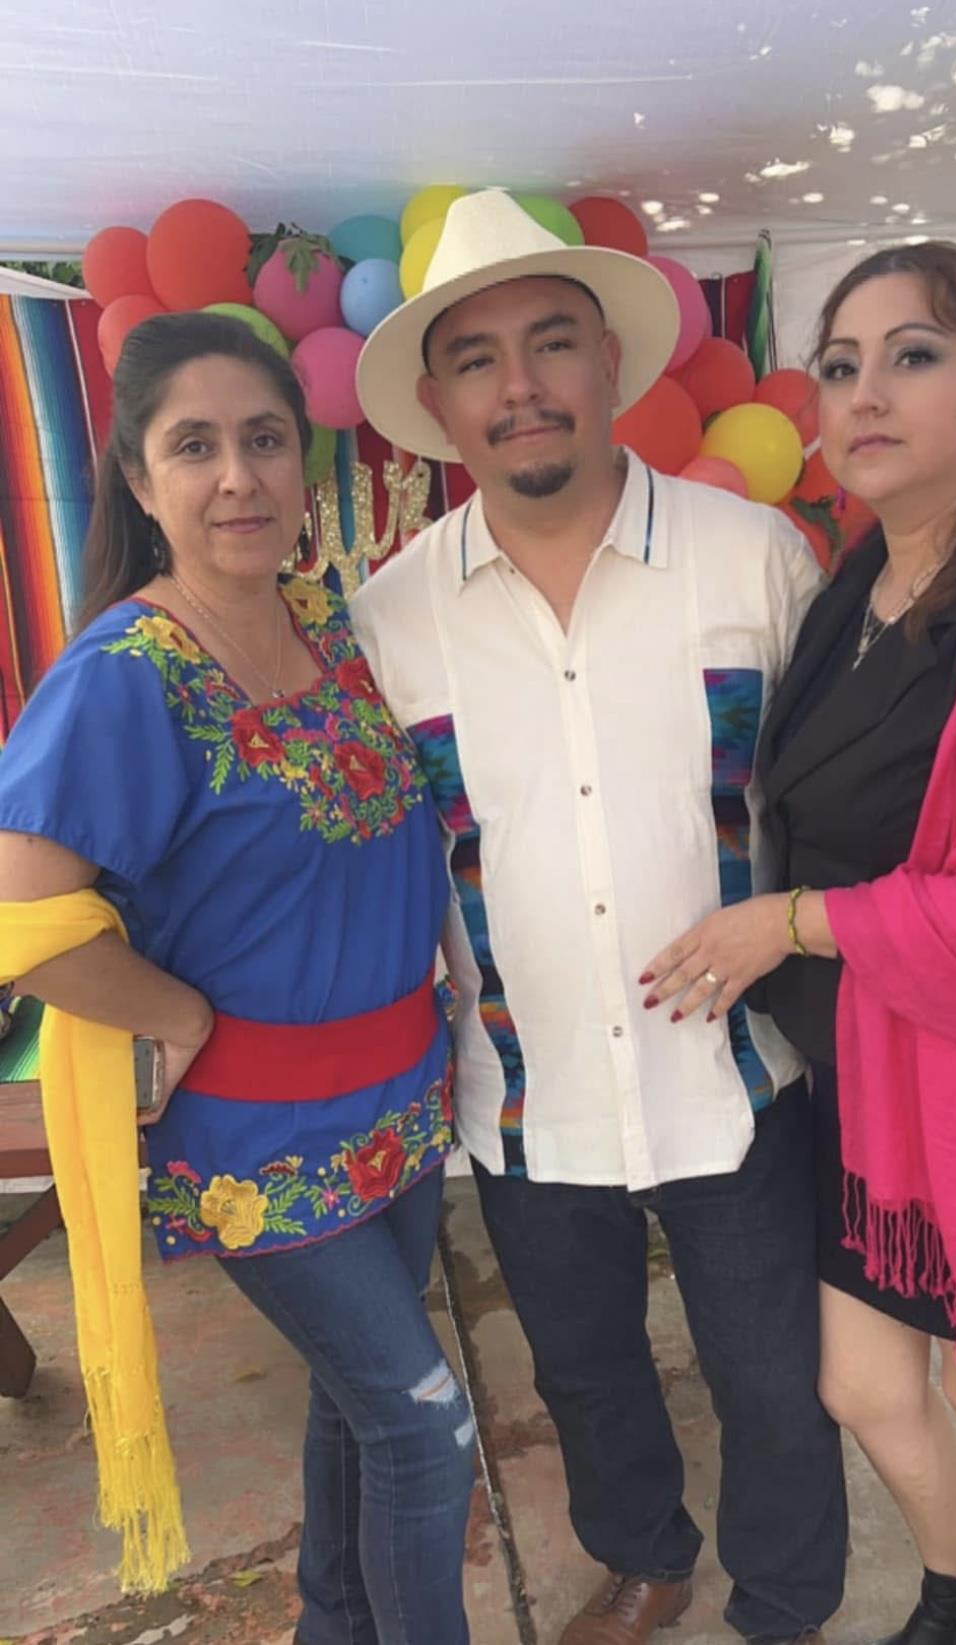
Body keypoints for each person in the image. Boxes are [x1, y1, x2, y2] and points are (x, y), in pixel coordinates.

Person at [350, 188, 845, 1645]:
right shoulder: (393, 618)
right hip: (527, 1084)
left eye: (551, 342)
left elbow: (844, 801)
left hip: (738, 1075)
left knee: (771, 1367)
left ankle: (785, 1598)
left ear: (610, 366)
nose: (520, 386)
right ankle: (641, 1553)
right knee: (580, 1366)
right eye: (479, 359)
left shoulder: (752, 558)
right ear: (436, 404)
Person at [641, 242, 956, 1645]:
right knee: (860, 1383)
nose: (862, 391)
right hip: (866, 1062)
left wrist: (781, 923)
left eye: (911, 355)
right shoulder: (856, 577)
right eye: (839, 364)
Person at [0, 313, 472, 1644]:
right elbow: (17, 917)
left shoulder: (331, 627)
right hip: (260, 1142)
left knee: (355, 1407)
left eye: (264, 439)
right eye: (193, 446)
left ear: (303, 461)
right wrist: (177, 1013)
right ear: (141, 484)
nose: (237, 477)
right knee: (426, 1428)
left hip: (401, 1109)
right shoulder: (124, 679)